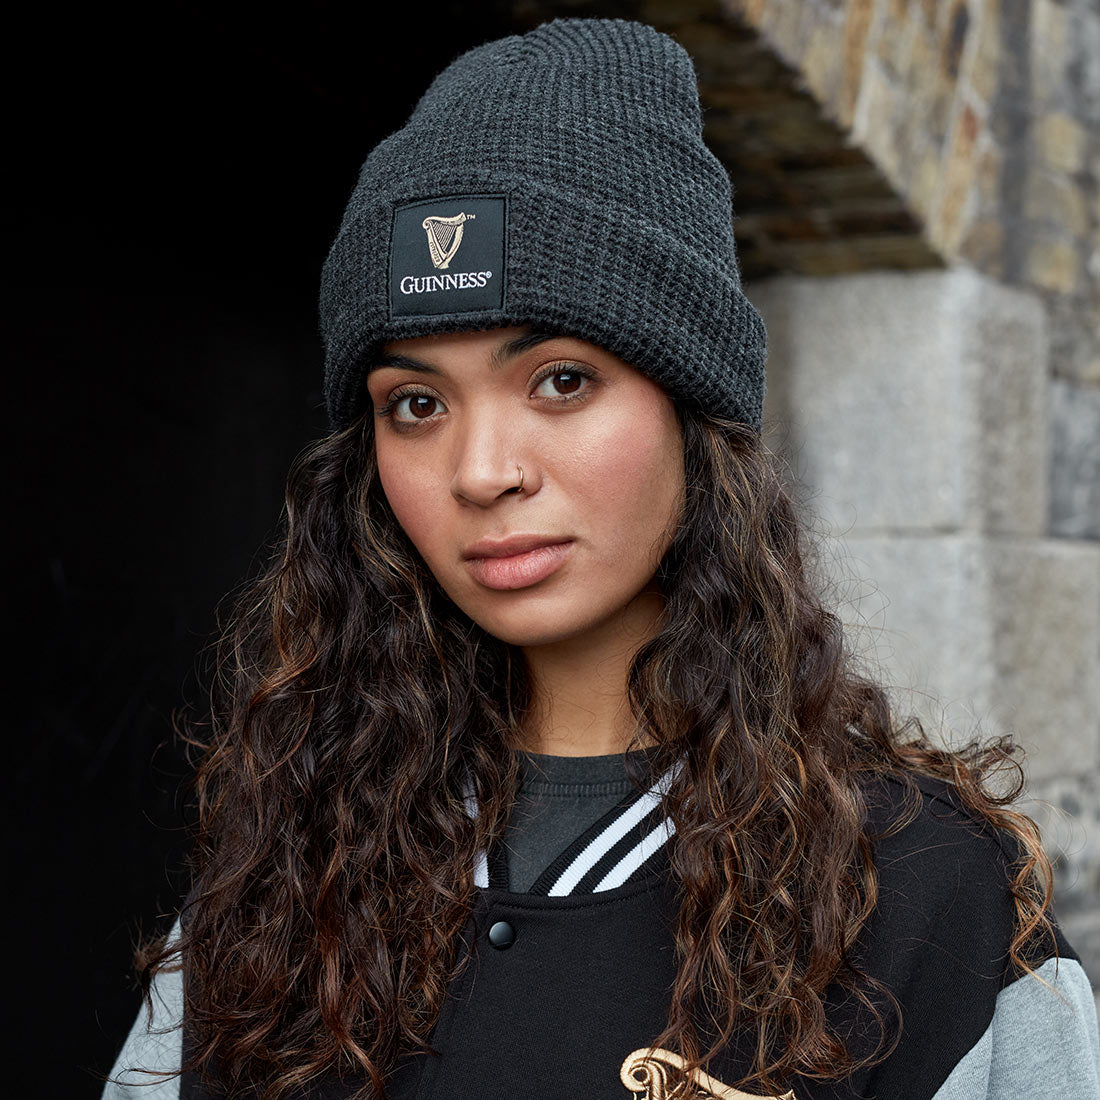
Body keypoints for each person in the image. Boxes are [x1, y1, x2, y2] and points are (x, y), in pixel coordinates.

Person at [102, 16, 1100, 1100]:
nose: (481, 470)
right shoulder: (284, 872)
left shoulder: (932, 901)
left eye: (560, 380)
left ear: (692, 413)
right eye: (417, 403)